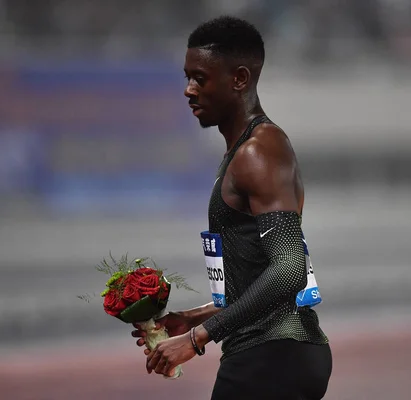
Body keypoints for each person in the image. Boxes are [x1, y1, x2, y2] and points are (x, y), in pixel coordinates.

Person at [131, 15, 332, 400]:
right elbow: (263, 274)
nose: (188, 90)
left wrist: (197, 337)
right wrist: (192, 317)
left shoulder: (258, 152)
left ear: (239, 79)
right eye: (186, 77)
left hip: (270, 357)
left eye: (200, 78)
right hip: (279, 355)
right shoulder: (248, 150)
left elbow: (289, 270)